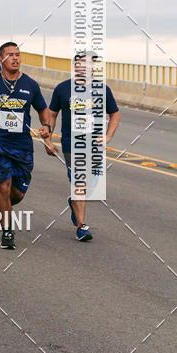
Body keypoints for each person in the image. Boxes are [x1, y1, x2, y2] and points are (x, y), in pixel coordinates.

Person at [0, 42, 55, 250]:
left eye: (18, 54)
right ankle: (7, 231)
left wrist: (46, 126)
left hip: (22, 145)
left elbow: (43, 110)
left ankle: (2, 203)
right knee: (4, 186)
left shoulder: (30, 84)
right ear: (1, 59)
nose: (15, 58)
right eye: (10, 55)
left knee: (17, 194)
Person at [47, 52, 120, 241]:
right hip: (71, 144)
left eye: (90, 63)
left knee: (89, 185)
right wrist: (49, 138)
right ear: (75, 66)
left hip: (94, 145)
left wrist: (108, 136)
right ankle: (82, 227)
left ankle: (74, 201)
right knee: (79, 182)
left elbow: (114, 114)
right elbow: (52, 114)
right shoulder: (63, 89)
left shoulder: (103, 89)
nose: (87, 67)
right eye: (83, 63)